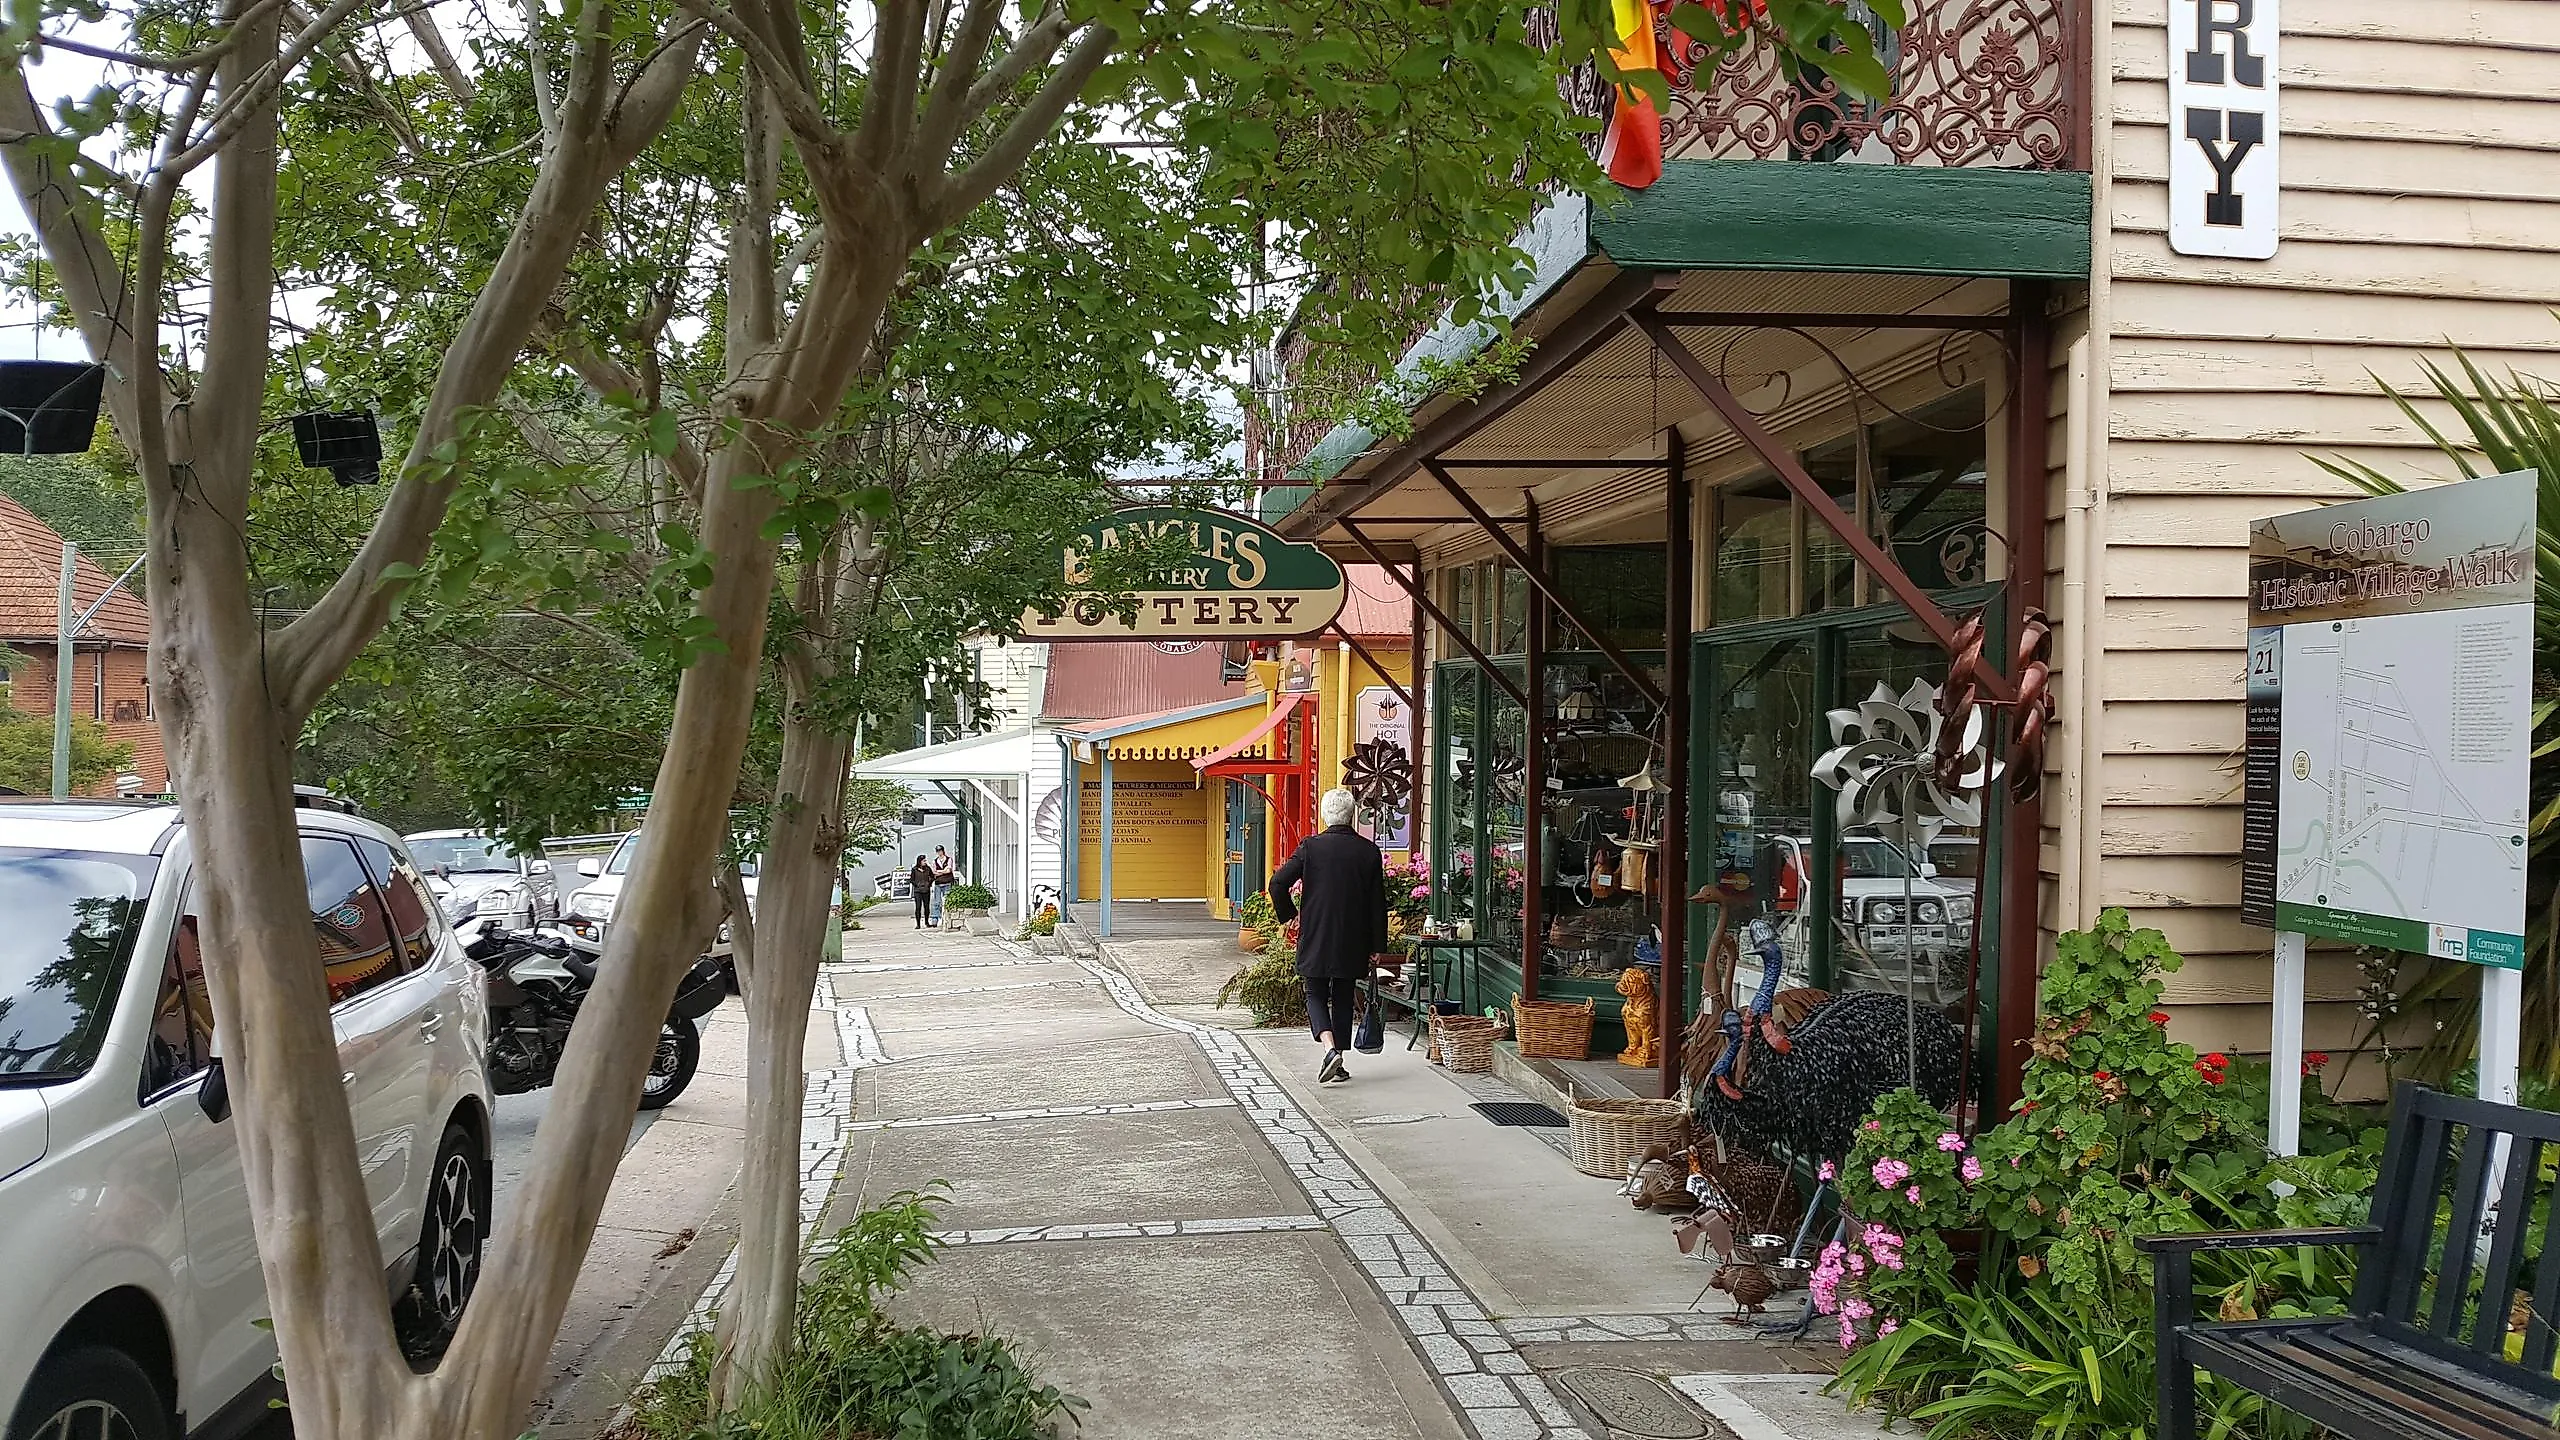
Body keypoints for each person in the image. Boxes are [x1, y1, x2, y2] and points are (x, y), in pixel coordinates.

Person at [1267, 787, 1386, 1084]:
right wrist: (1376, 945)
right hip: (1353, 937)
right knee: (1344, 995)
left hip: (1317, 933)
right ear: (1352, 815)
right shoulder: (1368, 851)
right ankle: (1339, 1060)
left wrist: (1290, 916)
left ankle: (1331, 1049)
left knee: (1315, 993)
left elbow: (1278, 883)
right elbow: (1377, 904)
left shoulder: (1311, 847)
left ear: (1324, 815)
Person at [929, 845, 959, 926]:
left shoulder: (949, 859)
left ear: (943, 851)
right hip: (938, 883)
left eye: (940, 851)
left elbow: (948, 870)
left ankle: (947, 916)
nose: (939, 852)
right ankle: (935, 918)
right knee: (937, 901)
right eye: (938, 851)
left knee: (947, 900)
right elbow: (934, 872)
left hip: (947, 882)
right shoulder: (935, 861)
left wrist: (940, 872)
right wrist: (943, 871)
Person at [908, 855, 934, 930]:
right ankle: (918, 924)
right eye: (924, 861)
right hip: (918, 891)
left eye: (925, 861)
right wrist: (916, 884)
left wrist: (929, 884)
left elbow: (932, 877)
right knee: (918, 907)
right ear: (920, 861)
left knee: (926, 907)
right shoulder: (914, 869)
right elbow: (911, 880)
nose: (925, 862)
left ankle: (926, 922)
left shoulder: (928, 869)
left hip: (926, 890)